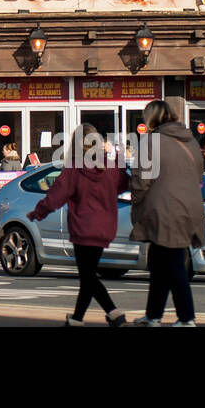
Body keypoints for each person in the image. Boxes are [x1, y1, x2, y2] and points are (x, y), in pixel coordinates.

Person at [29, 124, 129, 326]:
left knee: (88, 277)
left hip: (83, 228)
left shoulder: (74, 169)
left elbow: (56, 195)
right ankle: (77, 318)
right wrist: (117, 155)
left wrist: (38, 212)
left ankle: (114, 313)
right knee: (88, 276)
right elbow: (123, 183)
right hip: (105, 229)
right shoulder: (108, 168)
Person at [129, 100, 204, 327]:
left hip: (164, 210)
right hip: (189, 207)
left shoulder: (151, 141)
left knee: (172, 265)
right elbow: (199, 175)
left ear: (151, 118)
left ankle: (186, 317)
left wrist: (135, 199)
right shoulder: (190, 141)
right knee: (160, 264)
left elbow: (142, 180)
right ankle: (153, 315)